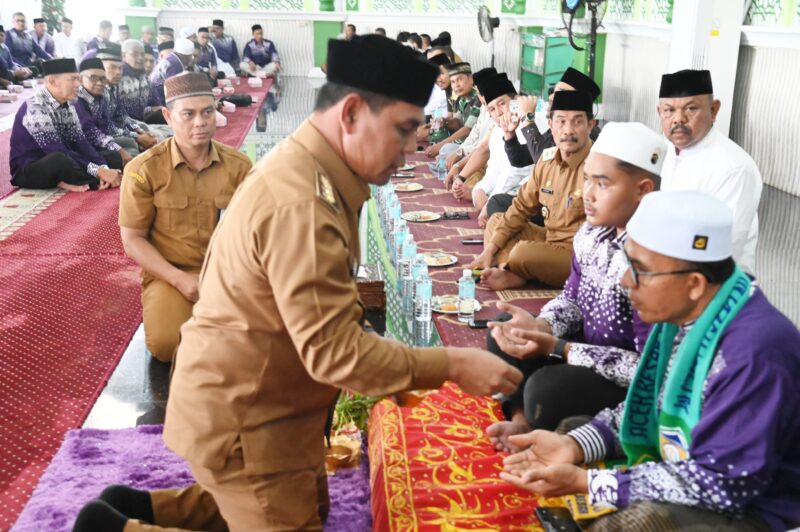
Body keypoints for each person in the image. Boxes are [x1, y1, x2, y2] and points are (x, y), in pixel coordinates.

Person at [81, 35, 528, 532]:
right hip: (247, 416)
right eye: (402, 130)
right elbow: (336, 354)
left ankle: (156, 510)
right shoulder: (305, 203)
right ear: (353, 113)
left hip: (275, 400)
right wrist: (454, 363)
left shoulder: (314, 166)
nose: (410, 149)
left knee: (301, 509)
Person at [499, 190, 800, 532]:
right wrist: (573, 445)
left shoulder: (755, 353)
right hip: (688, 462)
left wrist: (593, 485)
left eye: (639, 270)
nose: (627, 282)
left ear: (694, 284)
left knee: (640, 524)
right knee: (571, 432)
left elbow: (721, 485)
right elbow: (646, 407)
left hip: (753, 510)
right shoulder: (686, 317)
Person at [485, 122, 663, 451]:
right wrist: (540, 325)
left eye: (602, 184)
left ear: (643, 190)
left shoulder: (657, 263)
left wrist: (559, 349)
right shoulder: (591, 235)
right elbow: (572, 300)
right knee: (505, 332)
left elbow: (650, 371)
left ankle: (539, 416)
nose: (587, 195)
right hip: (576, 353)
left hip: (624, 381)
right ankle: (523, 421)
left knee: (545, 391)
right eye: (587, 181)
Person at [117, 72, 252, 364]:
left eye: (208, 112)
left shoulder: (239, 167)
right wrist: (179, 280)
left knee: (269, 337)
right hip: (171, 273)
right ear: (168, 115)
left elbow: (253, 233)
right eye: (188, 114)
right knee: (167, 344)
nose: (200, 122)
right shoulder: (144, 170)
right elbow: (132, 240)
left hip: (228, 275)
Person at [471, 90, 595, 289]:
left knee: (522, 253)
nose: (568, 130)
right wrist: (489, 250)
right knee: (496, 223)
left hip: (577, 257)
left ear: (591, 125)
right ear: (551, 125)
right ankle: (516, 270)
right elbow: (520, 207)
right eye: (561, 121)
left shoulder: (599, 167)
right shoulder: (546, 160)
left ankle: (514, 272)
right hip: (548, 240)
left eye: (577, 122)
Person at [657, 69, 762, 275]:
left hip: (716, 287)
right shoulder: (661, 151)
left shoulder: (734, 167)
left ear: (713, 110)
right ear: (659, 113)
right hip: (664, 273)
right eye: (669, 110)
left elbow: (721, 249)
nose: (679, 119)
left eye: (691, 108)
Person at [490, 68, 602, 219]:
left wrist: (527, 120)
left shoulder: (584, 132)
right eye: (553, 90)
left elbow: (541, 159)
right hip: (548, 200)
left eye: (560, 92)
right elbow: (520, 159)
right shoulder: (556, 126)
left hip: (567, 208)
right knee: (498, 204)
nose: (551, 96)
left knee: (501, 210)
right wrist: (509, 134)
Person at [9, 58, 121, 192]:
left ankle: (87, 179)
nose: (78, 85)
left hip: (67, 157)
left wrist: (103, 167)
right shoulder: (36, 107)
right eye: (73, 79)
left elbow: (81, 142)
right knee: (59, 161)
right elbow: (56, 150)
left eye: (79, 79)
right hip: (31, 167)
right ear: (53, 81)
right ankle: (94, 181)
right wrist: (98, 171)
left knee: (112, 157)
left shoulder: (68, 105)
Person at [459, 73, 532, 226]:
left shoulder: (526, 127)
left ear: (515, 102)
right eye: (492, 109)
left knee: (497, 206)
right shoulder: (497, 131)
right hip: (503, 193)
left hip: (523, 195)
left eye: (501, 104)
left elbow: (515, 173)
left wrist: (491, 201)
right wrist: (479, 190)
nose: (498, 112)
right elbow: (494, 169)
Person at [75, 57, 137, 168]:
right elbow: (90, 132)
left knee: (131, 143)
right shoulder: (77, 100)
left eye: (103, 79)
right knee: (119, 156)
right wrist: (120, 150)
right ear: (80, 79)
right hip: (84, 148)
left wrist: (135, 134)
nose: (99, 83)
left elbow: (108, 126)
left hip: (100, 142)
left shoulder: (101, 96)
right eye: (93, 78)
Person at [99, 44, 159, 154]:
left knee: (150, 134)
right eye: (112, 67)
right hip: (101, 138)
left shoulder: (112, 88)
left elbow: (121, 115)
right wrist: (137, 136)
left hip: (117, 130)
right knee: (132, 144)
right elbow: (106, 126)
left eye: (120, 68)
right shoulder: (97, 92)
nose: (118, 72)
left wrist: (139, 130)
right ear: (101, 69)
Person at [425, 62, 480, 158]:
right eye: (453, 82)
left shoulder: (478, 98)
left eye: (459, 80)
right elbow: (457, 122)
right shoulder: (462, 98)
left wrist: (440, 145)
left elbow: (467, 129)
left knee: (445, 149)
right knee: (439, 141)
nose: (456, 85)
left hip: (472, 145)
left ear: (471, 79)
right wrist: (445, 121)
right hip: (460, 142)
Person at [119, 39, 172, 134]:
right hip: (124, 126)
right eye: (135, 54)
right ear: (123, 56)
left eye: (142, 54)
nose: (140, 58)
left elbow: (155, 105)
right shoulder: (118, 77)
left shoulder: (145, 78)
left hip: (144, 122)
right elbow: (116, 113)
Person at [148, 38, 192, 108]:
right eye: (190, 56)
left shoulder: (171, 58)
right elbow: (173, 91)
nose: (191, 59)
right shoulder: (175, 64)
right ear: (186, 55)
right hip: (157, 101)